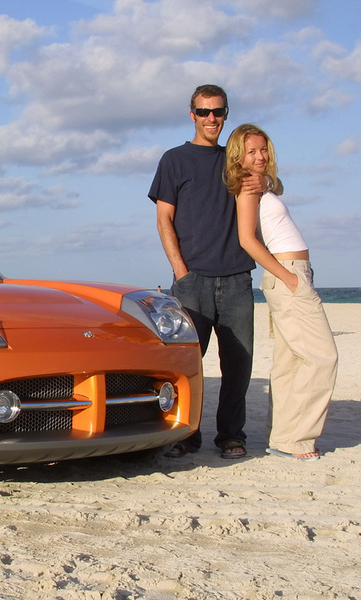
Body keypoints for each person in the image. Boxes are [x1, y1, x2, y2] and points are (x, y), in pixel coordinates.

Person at [148, 84, 270, 459]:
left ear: (226, 114)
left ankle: (231, 435)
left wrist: (268, 181)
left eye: (218, 111)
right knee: (188, 366)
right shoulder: (174, 160)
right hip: (192, 282)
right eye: (204, 112)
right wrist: (181, 272)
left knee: (239, 365)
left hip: (236, 279)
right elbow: (164, 219)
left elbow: (269, 177)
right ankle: (186, 435)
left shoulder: (236, 159)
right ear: (193, 115)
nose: (211, 118)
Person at [225, 123, 337, 461]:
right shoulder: (248, 186)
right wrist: (288, 278)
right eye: (251, 151)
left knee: (290, 363)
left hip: (295, 273)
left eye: (263, 149)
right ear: (238, 155)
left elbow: (279, 185)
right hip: (287, 275)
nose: (260, 156)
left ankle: (282, 439)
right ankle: (297, 439)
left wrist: (269, 182)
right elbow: (247, 240)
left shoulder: (261, 183)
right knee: (322, 358)